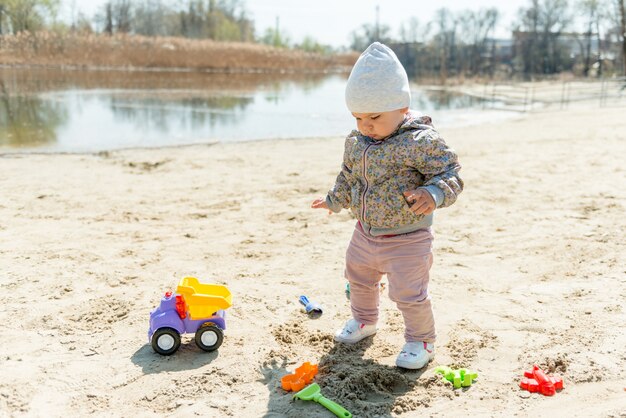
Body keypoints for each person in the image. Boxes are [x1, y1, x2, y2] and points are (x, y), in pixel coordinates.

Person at [311, 42, 463, 370]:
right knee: (359, 278)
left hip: (408, 238)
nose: (366, 124)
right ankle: (365, 321)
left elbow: (451, 173)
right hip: (365, 232)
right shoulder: (357, 141)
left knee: (409, 293)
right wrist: (333, 200)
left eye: (375, 117)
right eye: (358, 116)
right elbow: (349, 176)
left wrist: (433, 193)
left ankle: (421, 340)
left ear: (402, 106)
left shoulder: (419, 141)